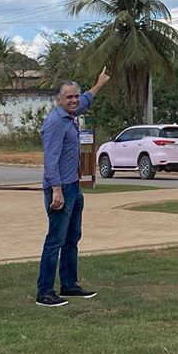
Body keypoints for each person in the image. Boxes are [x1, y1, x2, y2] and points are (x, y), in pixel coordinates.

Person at [36, 67, 111, 308]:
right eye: (69, 97)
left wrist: (99, 83)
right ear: (58, 100)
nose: (74, 100)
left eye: (75, 96)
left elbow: (86, 99)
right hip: (60, 189)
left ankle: (69, 284)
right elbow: (51, 159)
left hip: (73, 187)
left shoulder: (71, 114)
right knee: (55, 240)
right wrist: (56, 189)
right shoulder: (55, 122)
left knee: (72, 238)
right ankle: (45, 292)